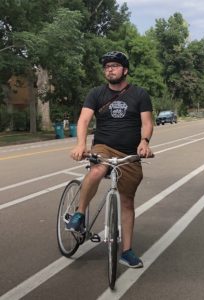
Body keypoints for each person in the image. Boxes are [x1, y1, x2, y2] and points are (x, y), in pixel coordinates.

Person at [67, 51, 154, 268]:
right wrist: (80, 144)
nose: (110, 70)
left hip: (129, 153)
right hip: (103, 146)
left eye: (114, 66)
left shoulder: (140, 94)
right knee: (97, 170)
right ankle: (79, 214)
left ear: (124, 70)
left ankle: (127, 251)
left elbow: (147, 123)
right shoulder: (96, 94)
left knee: (127, 202)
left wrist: (144, 141)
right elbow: (84, 120)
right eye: (106, 67)